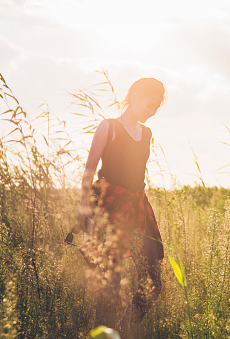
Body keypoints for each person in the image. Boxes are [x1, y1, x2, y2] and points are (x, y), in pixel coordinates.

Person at [75, 78, 165, 336]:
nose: (153, 111)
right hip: (110, 209)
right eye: (150, 104)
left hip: (138, 207)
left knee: (153, 281)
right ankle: (105, 332)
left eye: (157, 107)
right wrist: (84, 211)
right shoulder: (109, 128)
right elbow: (89, 170)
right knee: (110, 283)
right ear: (135, 95)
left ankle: (122, 330)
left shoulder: (146, 133)